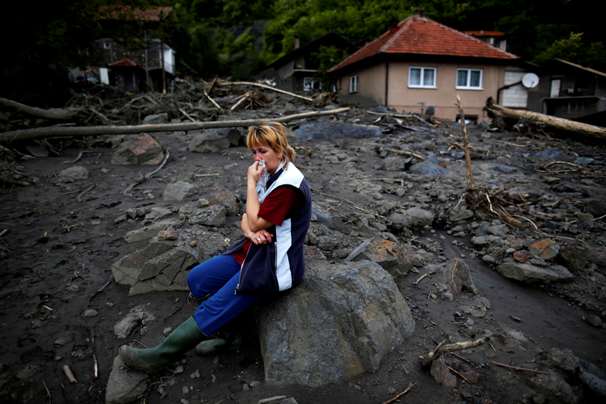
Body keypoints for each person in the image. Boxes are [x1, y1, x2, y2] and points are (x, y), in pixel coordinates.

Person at [119, 122, 312, 372]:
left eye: (262, 151)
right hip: (252, 250)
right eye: (253, 152)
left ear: (279, 149)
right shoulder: (271, 172)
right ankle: (232, 336)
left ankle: (161, 356)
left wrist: (250, 185)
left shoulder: (288, 185)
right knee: (198, 279)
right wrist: (248, 232)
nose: (256, 158)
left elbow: (253, 218)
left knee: (216, 304)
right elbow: (246, 219)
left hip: (273, 265)